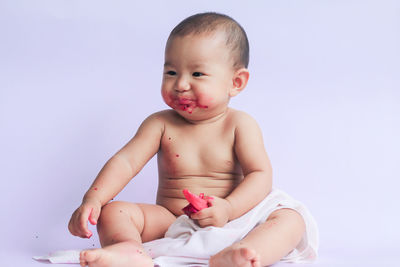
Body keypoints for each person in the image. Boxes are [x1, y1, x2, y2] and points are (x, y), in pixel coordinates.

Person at [68, 12, 317, 267]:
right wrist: (94, 199)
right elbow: (126, 162)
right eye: (172, 72)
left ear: (236, 82)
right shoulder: (160, 124)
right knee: (114, 212)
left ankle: (245, 253)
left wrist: (228, 208)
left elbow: (260, 174)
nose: (181, 84)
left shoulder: (239, 124)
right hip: (171, 221)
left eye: (197, 74)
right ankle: (130, 251)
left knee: (291, 218)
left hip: (233, 221)